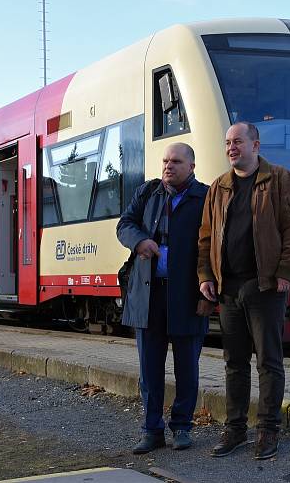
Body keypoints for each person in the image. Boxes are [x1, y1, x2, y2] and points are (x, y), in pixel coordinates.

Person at [197, 121, 290, 460]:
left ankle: (268, 429)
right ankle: (235, 429)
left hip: (265, 287)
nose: (231, 147)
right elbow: (205, 238)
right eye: (227, 142)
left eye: (238, 142)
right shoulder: (218, 187)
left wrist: (287, 271)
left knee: (269, 361)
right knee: (234, 362)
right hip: (228, 290)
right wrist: (205, 275)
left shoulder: (279, 179)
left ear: (255, 145)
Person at [117, 142, 211, 454]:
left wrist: (210, 292)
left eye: (177, 161)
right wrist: (140, 240)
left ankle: (182, 428)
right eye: (166, 161)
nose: (168, 166)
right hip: (149, 295)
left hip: (187, 296)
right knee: (150, 371)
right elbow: (125, 224)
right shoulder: (148, 192)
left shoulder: (206, 197)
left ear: (192, 167)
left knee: (187, 369)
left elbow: (215, 246)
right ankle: (151, 430)